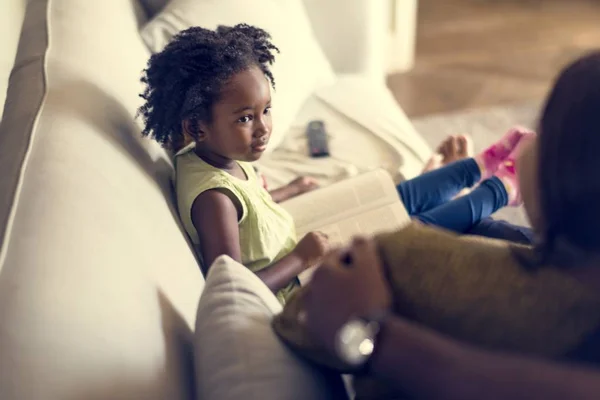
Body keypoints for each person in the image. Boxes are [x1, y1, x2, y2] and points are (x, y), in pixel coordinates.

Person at [301, 51, 600, 397]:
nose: (532, 142)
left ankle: (497, 185)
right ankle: (481, 183)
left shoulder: (404, 261)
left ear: (566, 180)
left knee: (414, 212)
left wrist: (373, 337)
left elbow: (311, 304)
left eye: (544, 133)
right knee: (478, 222)